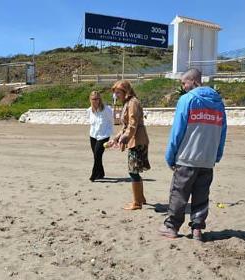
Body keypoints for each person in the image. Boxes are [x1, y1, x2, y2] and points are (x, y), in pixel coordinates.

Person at [158, 68, 227, 241]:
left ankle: (171, 227)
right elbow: (222, 132)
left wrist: (170, 156)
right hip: (207, 159)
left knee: (179, 194)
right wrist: (217, 155)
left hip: (187, 157)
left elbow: (177, 132)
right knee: (201, 195)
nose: (183, 86)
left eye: (184, 83)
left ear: (194, 81)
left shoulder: (186, 99)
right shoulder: (218, 103)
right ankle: (197, 228)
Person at [107, 80, 150, 210]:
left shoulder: (133, 103)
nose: (116, 95)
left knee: (133, 172)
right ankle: (141, 198)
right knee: (134, 170)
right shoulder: (127, 103)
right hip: (134, 140)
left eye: (118, 92)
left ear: (126, 91)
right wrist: (115, 139)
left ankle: (137, 203)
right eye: (115, 93)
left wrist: (124, 138)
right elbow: (125, 127)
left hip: (137, 141)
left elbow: (132, 124)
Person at [87, 91, 113, 182]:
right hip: (93, 135)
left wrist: (109, 134)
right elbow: (91, 124)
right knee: (96, 156)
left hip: (104, 136)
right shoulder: (89, 110)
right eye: (94, 99)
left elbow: (111, 122)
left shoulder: (106, 109)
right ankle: (101, 173)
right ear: (91, 99)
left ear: (100, 99)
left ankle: (94, 174)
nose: (96, 101)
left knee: (98, 154)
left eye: (98, 99)